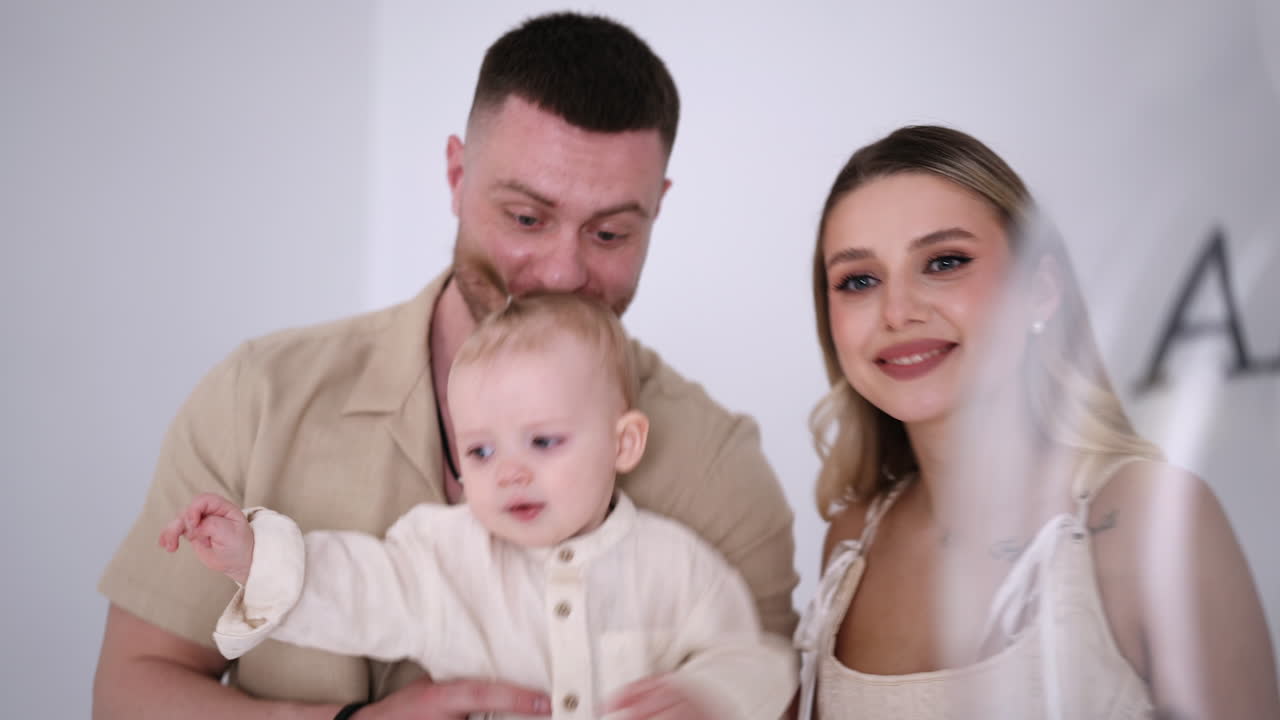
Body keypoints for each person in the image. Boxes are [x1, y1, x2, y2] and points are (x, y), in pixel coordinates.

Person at [94, 12, 799, 720]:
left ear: (656, 213)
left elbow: (768, 682)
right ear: (458, 176)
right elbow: (129, 692)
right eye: (526, 217)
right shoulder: (260, 398)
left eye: (610, 232)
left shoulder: (719, 472)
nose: (560, 271)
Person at [794, 125, 1280, 719]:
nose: (898, 312)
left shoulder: (1153, 521)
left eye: (944, 262)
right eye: (859, 280)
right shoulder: (849, 544)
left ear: (1041, 291)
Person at [157, 294, 796, 720]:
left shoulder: (676, 565)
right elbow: (357, 587)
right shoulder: (446, 555)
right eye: (481, 452)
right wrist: (255, 558)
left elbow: (757, 660)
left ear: (623, 442)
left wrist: (704, 696)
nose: (510, 471)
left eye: (544, 441)